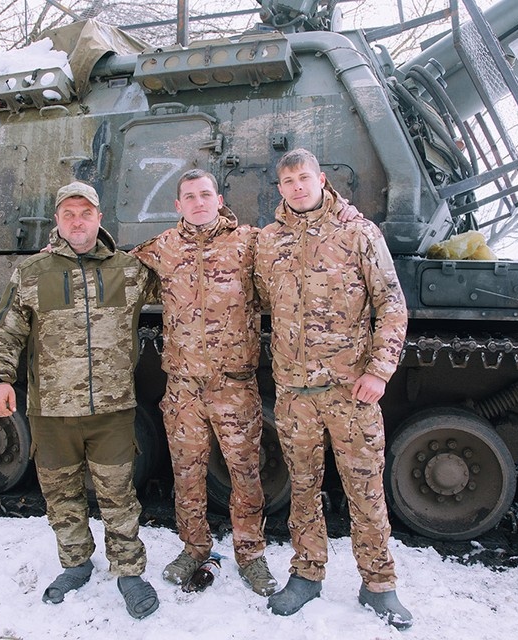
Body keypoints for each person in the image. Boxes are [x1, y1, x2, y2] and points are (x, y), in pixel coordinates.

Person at [253, 149, 413, 629]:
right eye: (287, 181)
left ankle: (379, 584)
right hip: (295, 393)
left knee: (364, 488)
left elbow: (391, 304)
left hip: (351, 391)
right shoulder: (269, 241)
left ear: (321, 179)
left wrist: (379, 371)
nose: (296, 187)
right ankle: (306, 574)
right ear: (279, 189)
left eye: (304, 178)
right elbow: (262, 303)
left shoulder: (359, 233)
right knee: (302, 488)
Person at [0, 181, 160, 620]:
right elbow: (7, 331)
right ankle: (76, 563)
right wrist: (1, 379)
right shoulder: (32, 272)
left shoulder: (131, 270)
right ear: (58, 222)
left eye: (86, 212)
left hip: (112, 409)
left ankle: (128, 571)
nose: (77, 221)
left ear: (99, 218)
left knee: (119, 494)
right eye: (68, 214)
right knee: (61, 495)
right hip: (51, 412)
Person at [131, 169, 277, 597]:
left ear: (219, 198)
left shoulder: (248, 242)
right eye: (189, 196)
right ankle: (194, 547)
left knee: (245, 474)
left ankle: (250, 555)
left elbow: (292, 267)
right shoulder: (163, 247)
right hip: (183, 388)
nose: (197, 202)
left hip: (233, 386)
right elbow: (115, 266)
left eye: (205, 194)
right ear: (178, 205)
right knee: (187, 474)